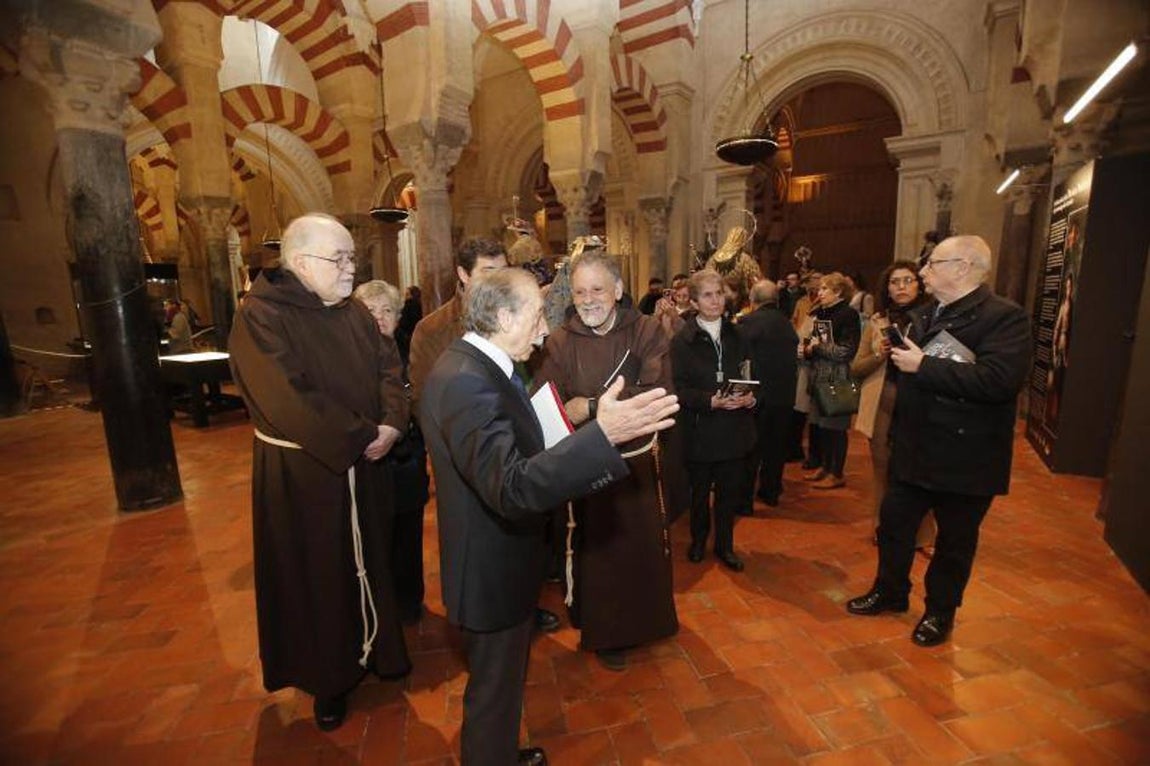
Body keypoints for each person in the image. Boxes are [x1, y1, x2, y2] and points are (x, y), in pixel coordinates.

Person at [421, 268, 679, 766]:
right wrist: (601, 437)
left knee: (503, 686)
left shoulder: (483, 366)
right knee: (493, 693)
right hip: (489, 569)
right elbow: (512, 486)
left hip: (502, 558)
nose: (545, 330)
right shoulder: (466, 382)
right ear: (502, 316)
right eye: (537, 315)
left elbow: (516, 446)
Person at [228, 213, 411, 732]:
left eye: (352, 256)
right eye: (342, 258)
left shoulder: (352, 311)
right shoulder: (260, 316)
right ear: (302, 262)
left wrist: (393, 423)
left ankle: (381, 651)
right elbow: (288, 398)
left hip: (367, 462)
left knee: (371, 558)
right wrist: (362, 435)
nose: (352, 267)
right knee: (321, 576)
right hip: (305, 474)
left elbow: (388, 365)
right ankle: (328, 679)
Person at [846, 236, 1031, 647]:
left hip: (967, 456)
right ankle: (890, 591)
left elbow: (999, 381)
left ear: (962, 268)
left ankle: (939, 613)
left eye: (932, 264)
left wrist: (922, 365)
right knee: (894, 526)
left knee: (954, 543)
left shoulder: (1005, 318)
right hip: (914, 447)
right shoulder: (925, 314)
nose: (923, 272)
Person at [407, 237, 561, 635]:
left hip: (511, 458)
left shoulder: (497, 352)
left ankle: (526, 604)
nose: (544, 331)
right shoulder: (446, 349)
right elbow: (435, 406)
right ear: (464, 275)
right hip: (482, 474)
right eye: (490, 273)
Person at [533, 252, 679, 671]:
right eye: (579, 291)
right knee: (599, 550)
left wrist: (590, 405)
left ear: (617, 290)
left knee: (641, 544)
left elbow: (659, 390)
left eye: (598, 289)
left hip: (637, 461)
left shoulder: (647, 330)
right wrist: (591, 408)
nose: (588, 299)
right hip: (586, 462)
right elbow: (550, 402)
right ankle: (607, 630)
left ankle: (649, 622)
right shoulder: (560, 340)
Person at [354, 279, 431, 624]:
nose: (380, 319)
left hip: (408, 457)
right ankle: (377, 606)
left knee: (408, 536)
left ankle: (409, 603)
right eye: (371, 311)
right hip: (369, 458)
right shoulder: (349, 354)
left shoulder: (410, 349)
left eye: (388, 311)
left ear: (399, 317)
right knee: (374, 537)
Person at [671, 269, 757, 572]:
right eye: (707, 294)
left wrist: (750, 397)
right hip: (699, 429)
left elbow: (749, 376)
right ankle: (698, 540)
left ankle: (725, 546)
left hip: (734, 430)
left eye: (719, 293)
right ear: (694, 301)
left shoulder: (739, 335)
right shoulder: (682, 341)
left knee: (728, 494)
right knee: (698, 494)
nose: (715, 300)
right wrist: (710, 400)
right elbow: (678, 389)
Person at [850, 261, 936, 549]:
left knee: (917, 475)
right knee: (882, 472)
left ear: (919, 284)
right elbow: (857, 367)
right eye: (894, 281)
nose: (901, 287)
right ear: (886, 287)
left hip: (919, 406)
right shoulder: (877, 321)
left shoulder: (932, 319)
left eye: (908, 280)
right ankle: (881, 527)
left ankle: (923, 535)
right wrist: (879, 354)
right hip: (883, 407)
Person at [738, 280, 799, 507]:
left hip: (758, 396)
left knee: (751, 450)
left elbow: (742, 361)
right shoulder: (787, 323)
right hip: (784, 397)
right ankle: (770, 492)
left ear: (753, 300)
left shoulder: (748, 323)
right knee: (776, 448)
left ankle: (743, 500)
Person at [802, 272, 860, 489]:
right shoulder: (822, 313)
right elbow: (815, 343)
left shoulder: (848, 314)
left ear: (838, 292)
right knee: (822, 428)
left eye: (825, 288)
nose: (820, 292)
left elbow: (846, 351)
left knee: (835, 429)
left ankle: (837, 473)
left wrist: (817, 347)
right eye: (821, 288)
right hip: (819, 376)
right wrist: (807, 348)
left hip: (837, 378)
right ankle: (825, 467)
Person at [396, 285, 422, 362]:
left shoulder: (408, 305)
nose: (404, 296)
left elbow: (404, 322)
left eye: (406, 294)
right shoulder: (421, 305)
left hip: (406, 338)